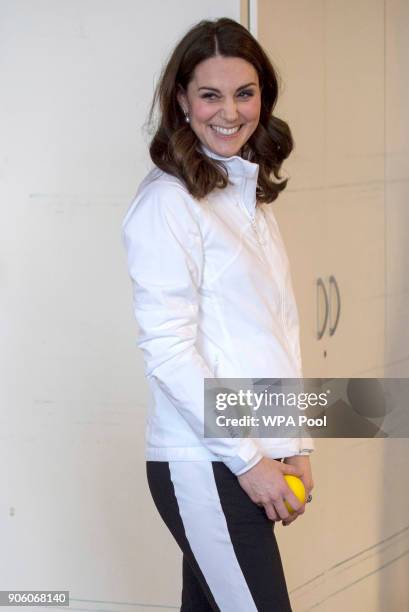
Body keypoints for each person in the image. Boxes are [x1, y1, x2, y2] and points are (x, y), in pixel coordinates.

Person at [122, 17, 315, 612]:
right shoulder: (167, 203)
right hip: (206, 463)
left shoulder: (244, 196)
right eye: (210, 94)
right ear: (181, 100)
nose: (228, 111)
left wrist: (294, 441)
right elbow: (169, 350)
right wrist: (251, 459)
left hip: (247, 453)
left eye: (244, 93)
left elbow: (276, 330)